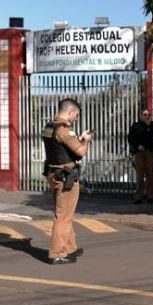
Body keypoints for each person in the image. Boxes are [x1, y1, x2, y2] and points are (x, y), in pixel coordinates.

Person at [41, 98, 93, 265]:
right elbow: (80, 152)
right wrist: (86, 140)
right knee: (63, 217)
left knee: (65, 214)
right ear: (69, 112)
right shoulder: (64, 130)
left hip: (54, 174)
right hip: (65, 177)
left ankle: (69, 248)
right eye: (76, 115)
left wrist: (77, 137)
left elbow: (60, 146)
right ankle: (57, 253)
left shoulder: (49, 127)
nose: (76, 118)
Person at [128, 109, 153, 204]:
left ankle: (150, 195)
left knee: (150, 175)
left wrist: (148, 125)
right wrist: (137, 146)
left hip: (150, 152)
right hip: (139, 153)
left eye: (149, 114)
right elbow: (130, 138)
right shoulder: (135, 125)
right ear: (140, 115)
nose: (147, 116)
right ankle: (139, 196)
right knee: (140, 175)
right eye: (145, 114)